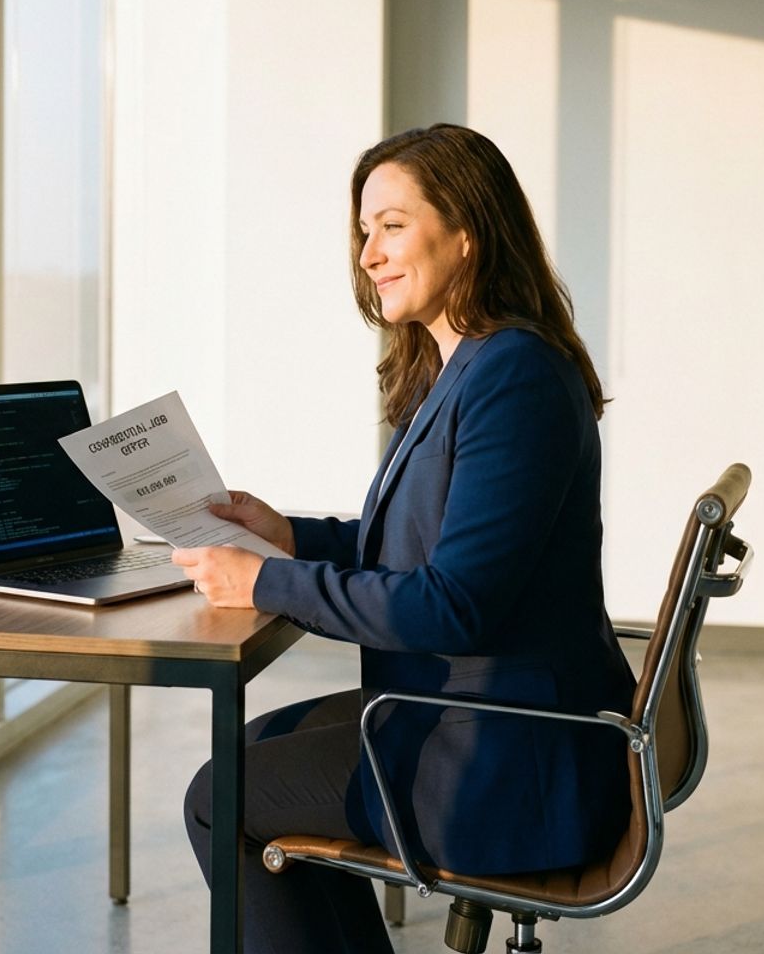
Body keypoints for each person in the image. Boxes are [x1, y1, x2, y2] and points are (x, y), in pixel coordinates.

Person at [173, 124, 636, 953]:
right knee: (245, 755)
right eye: (363, 232)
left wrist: (264, 582)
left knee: (222, 794)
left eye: (391, 224)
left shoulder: (513, 377)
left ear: (467, 233)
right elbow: (427, 547)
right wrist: (286, 535)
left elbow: (453, 603)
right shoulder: (468, 368)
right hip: (481, 716)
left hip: (502, 756)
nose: (368, 254)